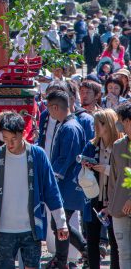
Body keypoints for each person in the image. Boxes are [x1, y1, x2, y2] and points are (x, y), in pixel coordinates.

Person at [0, 113, 68, 269]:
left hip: (31, 228)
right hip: (2, 229)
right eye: (5, 138)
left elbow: (51, 189)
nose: (9, 144)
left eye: (13, 139)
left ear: (23, 133)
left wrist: (61, 223)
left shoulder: (37, 155)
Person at [45, 90, 87, 269]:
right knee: (59, 222)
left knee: (59, 222)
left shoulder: (69, 127)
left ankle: (83, 250)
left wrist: (52, 177)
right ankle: (62, 258)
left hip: (68, 184)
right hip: (67, 183)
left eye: (49, 108)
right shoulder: (68, 125)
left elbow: (66, 157)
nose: (48, 112)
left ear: (55, 107)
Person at [80, 109, 121, 269]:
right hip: (94, 197)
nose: (97, 126)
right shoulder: (91, 145)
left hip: (114, 198)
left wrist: (105, 168)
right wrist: (85, 164)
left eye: (101, 123)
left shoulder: (120, 145)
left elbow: (124, 172)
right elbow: (82, 161)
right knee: (92, 239)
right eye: (96, 123)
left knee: (115, 241)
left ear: (110, 124)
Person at [108, 102, 131, 268]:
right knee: (123, 253)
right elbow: (114, 179)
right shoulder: (118, 146)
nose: (119, 124)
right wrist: (110, 204)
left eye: (121, 120)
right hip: (119, 210)